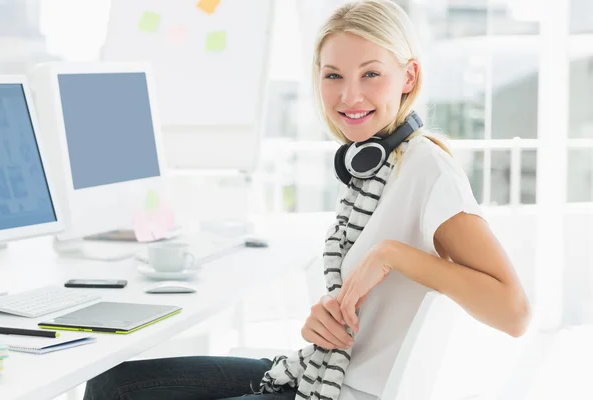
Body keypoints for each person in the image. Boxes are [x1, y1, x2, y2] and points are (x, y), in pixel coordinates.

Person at [84, 1, 531, 399]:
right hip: (318, 369)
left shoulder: (426, 168)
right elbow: (367, 313)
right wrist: (321, 321)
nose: (349, 95)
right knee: (111, 383)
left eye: (370, 74)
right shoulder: (373, 166)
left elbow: (514, 313)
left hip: (344, 390)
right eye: (333, 75)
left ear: (408, 75)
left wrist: (391, 255)